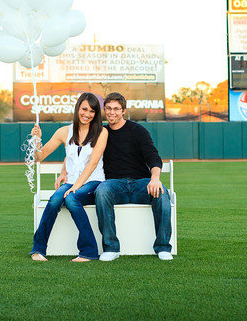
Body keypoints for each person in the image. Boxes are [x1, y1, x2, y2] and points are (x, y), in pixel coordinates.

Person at [29, 92, 108, 262]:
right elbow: (39, 157)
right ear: (77, 108)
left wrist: (75, 186)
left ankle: (89, 251)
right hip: (72, 181)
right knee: (55, 199)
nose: (87, 114)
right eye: (84, 109)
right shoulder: (64, 132)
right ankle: (39, 249)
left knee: (71, 199)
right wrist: (37, 140)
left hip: (93, 182)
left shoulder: (102, 132)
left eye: (92, 111)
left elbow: (92, 164)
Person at [94, 92, 173, 261]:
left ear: (123, 111)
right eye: (108, 108)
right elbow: (79, 149)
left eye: (116, 109)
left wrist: (155, 178)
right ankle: (111, 248)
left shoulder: (137, 130)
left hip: (140, 184)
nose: (112, 112)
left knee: (162, 193)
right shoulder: (101, 133)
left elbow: (153, 156)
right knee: (101, 191)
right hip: (115, 185)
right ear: (104, 110)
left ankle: (163, 247)